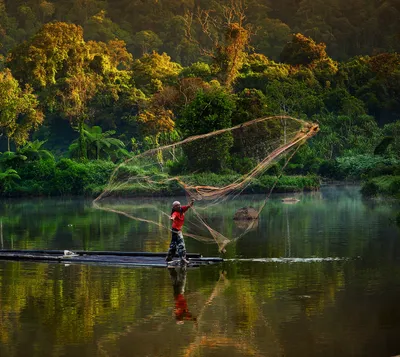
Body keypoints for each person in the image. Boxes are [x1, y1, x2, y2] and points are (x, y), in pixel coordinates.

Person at [165, 199, 194, 265]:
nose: (179, 206)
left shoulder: (182, 209)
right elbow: (173, 217)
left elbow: (189, 206)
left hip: (178, 230)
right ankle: (183, 259)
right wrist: (172, 218)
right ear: (174, 207)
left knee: (173, 245)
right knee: (181, 244)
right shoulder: (175, 213)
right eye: (177, 206)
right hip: (175, 231)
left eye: (179, 205)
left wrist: (192, 202)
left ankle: (169, 257)